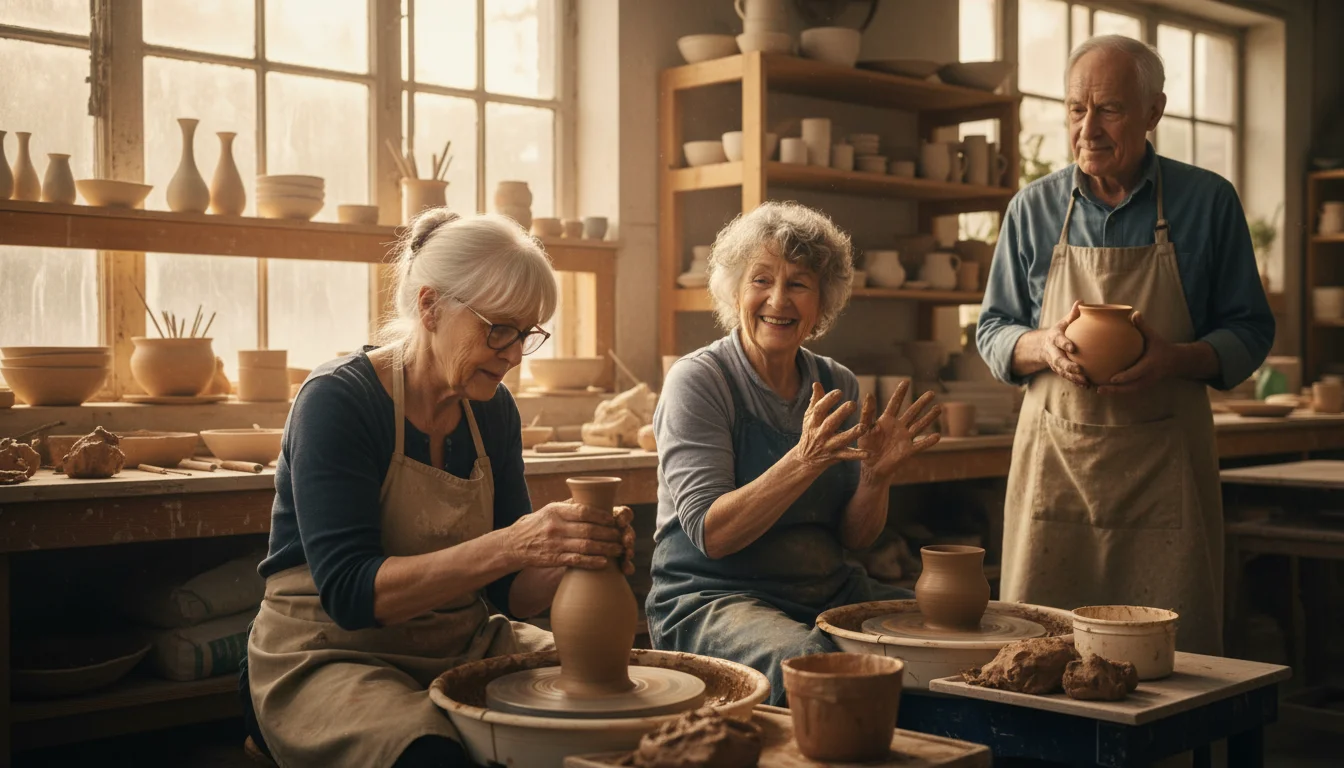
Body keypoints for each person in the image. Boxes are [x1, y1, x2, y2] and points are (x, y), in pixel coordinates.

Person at [240, 211, 636, 768]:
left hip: (460, 641)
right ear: (429, 306)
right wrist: (515, 543)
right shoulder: (337, 401)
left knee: (629, 696)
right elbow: (352, 595)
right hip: (332, 654)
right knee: (430, 756)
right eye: (498, 328)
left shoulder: (492, 409)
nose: (516, 354)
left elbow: (509, 594)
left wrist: (572, 548)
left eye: (528, 333)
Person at [976, 35, 1274, 655]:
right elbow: (994, 328)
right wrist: (1043, 347)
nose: (1089, 128)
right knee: (1045, 648)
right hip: (1058, 463)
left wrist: (1177, 359)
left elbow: (1250, 328)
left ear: (1154, 112)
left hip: (1165, 459)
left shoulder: (1207, 202)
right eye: (1075, 109)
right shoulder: (1032, 208)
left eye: (1109, 109)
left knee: (1170, 653)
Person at [647, 201, 943, 705]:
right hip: (711, 599)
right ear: (735, 290)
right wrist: (802, 460)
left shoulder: (836, 382)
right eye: (761, 280)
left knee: (942, 640)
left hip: (826, 590)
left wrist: (875, 478)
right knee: (812, 669)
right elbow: (712, 534)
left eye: (798, 284)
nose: (777, 300)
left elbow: (855, 538)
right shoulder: (699, 381)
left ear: (822, 300)